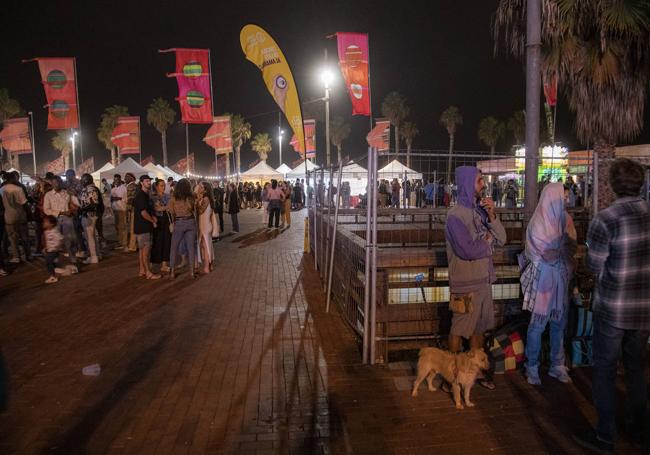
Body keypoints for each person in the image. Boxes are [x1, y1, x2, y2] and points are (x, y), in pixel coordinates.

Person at [573, 159, 650, 453]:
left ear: (613, 185)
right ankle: (639, 431)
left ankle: (606, 436)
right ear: (641, 183)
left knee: (604, 369)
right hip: (644, 309)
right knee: (636, 369)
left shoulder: (605, 220)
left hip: (613, 308)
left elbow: (594, 265)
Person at [445, 166, 506, 390]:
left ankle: (474, 372)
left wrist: (492, 216)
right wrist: (488, 241)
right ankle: (451, 376)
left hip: (483, 281)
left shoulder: (481, 212)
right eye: (480, 181)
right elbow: (466, 250)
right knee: (459, 330)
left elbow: (502, 238)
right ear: (468, 183)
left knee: (479, 329)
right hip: (465, 285)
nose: (483, 185)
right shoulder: (454, 216)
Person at [520, 183, 576, 385]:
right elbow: (550, 253)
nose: (565, 201)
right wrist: (562, 247)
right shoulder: (538, 224)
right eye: (562, 197)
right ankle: (532, 365)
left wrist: (560, 249)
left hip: (559, 280)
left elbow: (570, 246)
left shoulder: (563, 220)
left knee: (558, 324)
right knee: (538, 324)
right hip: (542, 283)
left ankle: (557, 365)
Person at [44, 176, 79, 264]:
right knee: (56, 242)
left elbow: (77, 204)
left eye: (58, 182)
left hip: (68, 219)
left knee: (70, 240)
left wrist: (73, 195)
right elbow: (46, 209)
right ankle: (56, 259)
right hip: (55, 220)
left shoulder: (67, 193)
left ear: (61, 182)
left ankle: (72, 258)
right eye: (54, 183)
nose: (57, 184)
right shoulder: (48, 195)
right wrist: (61, 213)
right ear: (51, 184)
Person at [168, 178, 197, 279]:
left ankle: (172, 272)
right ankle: (192, 272)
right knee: (190, 247)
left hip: (179, 222)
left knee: (174, 248)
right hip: (190, 222)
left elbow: (170, 211)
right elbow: (193, 208)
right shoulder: (191, 197)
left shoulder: (174, 198)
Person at [133, 175, 160, 280]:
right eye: (146, 181)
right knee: (146, 252)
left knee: (141, 250)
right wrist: (153, 221)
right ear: (141, 183)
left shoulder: (145, 195)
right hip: (143, 227)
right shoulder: (141, 196)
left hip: (141, 227)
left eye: (149, 181)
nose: (149, 182)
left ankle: (142, 270)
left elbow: (146, 210)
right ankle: (148, 273)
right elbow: (143, 213)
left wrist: (153, 216)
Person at [0, 171, 31, 263]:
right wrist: (30, 214)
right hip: (21, 216)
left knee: (13, 238)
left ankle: (16, 256)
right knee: (25, 237)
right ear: (12, 178)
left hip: (9, 217)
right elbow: (24, 203)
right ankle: (28, 255)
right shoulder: (18, 189)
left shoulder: (1, 189)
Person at [78, 173, 102, 264]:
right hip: (90, 214)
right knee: (92, 237)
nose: (81, 181)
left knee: (90, 237)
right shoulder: (90, 189)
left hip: (89, 215)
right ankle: (97, 254)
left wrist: (83, 209)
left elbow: (93, 203)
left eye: (82, 179)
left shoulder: (90, 189)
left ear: (86, 180)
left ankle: (93, 257)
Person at [150, 179, 171, 274]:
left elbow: (169, 207)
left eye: (164, 185)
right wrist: (167, 207)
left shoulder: (167, 196)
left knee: (166, 242)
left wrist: (165, 207)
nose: (163, 187)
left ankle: (164, 265)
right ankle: (153, 263)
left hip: (166, 221)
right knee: (157, 242)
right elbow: (157, 208)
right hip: (158, 221)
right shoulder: (154, 197)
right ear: (157, 186)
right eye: (161, 185)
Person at [196, 181, 216, 274]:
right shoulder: (205, 198)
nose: (198, 188)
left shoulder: (206, 199)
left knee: (206, 246)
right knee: (206, 245)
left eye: (201, 187)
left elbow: (200, 211)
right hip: (204, 224)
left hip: (205, 225)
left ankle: (206, 267)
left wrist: (197, 202)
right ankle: (210, 265)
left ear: (205, 189)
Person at [42, 215, 63, 284]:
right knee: (50, 262)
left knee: (48, 262)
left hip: (53, 251)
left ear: (52, 224)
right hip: (49, 251)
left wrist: (55, 247)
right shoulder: (46, 231)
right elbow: (48, 241)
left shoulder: (55, 231)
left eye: (46, 222)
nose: (44, 223)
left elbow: (60, 239)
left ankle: (53, 276)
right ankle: (57, 269)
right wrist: (46, 248)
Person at [110, 174, 128, 249]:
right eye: (115, 180)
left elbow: (126, 199)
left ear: (120, 180)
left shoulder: (124, 188)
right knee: (117, 226)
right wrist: (113, 199)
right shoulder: (113, 189)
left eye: (117, 180)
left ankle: (123, 243)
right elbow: (111, 199)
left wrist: (118, 198)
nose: (116, 181)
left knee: (122, 226)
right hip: (115, 209)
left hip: (121, 209)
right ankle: (119, 241)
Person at [124, 172, 137, 252]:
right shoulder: (131, 186)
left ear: (132, 178)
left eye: (127, 177)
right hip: (133, 209)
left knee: (133, 228)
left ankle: (132, 246)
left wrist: (128, 210)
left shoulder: (131, 186)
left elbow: (131, 199)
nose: (125, 178)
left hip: (132, 210)